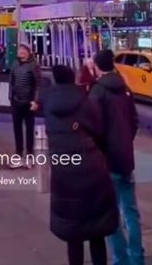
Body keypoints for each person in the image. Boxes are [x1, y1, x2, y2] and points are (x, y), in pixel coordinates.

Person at [44, 65, 117, 265]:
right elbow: (98, 130)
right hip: (91, 167)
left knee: (73, 233)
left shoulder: (49, 102)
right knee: (97, 230)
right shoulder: (84, 101)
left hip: (64, 169)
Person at [89, 50, 145, 265]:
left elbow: (94, 126)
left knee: (111, 214)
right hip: (125, 158)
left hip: (106, 160)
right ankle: (137, 259)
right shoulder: (125, 89)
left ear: (97, 66)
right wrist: (124, 142)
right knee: (131, 211)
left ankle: (120, 260)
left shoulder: (98, 91)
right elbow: (134, 122)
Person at [9, 44, 41, 166]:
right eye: (20, 50)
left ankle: (29, 155)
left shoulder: (34, 65)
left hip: (29, 103)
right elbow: (11, 82)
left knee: (29, 129)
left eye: (24, 50)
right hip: (16, 102)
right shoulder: (15, 64)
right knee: (17, 130)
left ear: (28, 52)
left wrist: (36, 101)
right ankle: (18, 154)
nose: (21, 52)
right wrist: (10, 98)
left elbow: (38, 84)